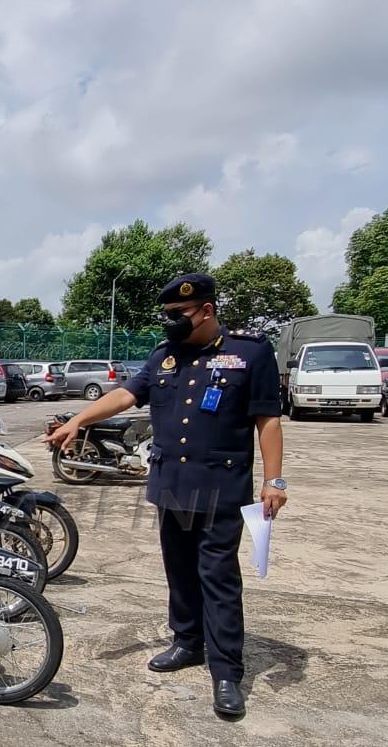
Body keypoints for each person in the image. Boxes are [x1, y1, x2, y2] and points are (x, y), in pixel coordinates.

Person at [45, 273, 286, 718]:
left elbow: (267, 420)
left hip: (221, 488)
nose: (170, 321)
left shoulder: (249, 353)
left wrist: (275, 481)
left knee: (218, 577)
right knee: (179, 571)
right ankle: (187, 641)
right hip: (170, 484)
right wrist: (79, 420)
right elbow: (124, 395)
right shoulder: (165, 357)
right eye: (167, 314)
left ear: (206, 311)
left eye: (178, 314)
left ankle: (227, 670)